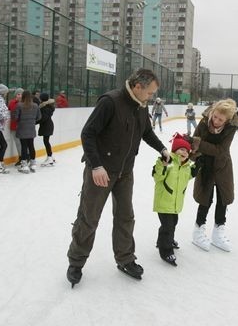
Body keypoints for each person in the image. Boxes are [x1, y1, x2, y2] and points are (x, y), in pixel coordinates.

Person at [66, 69, 170, 287]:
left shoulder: (141, 106)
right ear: (137, 86)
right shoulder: (110, 102)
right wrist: (96, 166)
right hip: (101, 172)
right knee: (89, 217)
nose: (151, 96)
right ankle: (76, 262)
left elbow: (146, 132)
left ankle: (125, 259)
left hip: (125, 172)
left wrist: (162, 149)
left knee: (125, 217)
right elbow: (88, 134)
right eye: (149, 92)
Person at [190, 99, 238, 252]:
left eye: (221, 120)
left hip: (222, 165)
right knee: (205, 199)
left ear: (227, 120)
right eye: (215, 116)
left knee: (223, 198)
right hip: (205, 164)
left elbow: (221, 150)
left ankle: (218, 230)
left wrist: (199, 144)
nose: (216, 121)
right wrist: (194, 150)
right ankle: (198, 230)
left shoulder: (231, 127)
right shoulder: (204, 122)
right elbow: (193, 143)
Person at [152, 133, 200, 266]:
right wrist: (162, 164)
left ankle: (165, 239)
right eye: (181, 149)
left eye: (186, 150)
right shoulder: (168, 162)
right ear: (174, 150)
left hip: (175, 204)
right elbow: (158, 177)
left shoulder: (185, 167)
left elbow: (189, 175)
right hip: (164, 202)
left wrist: (197, 165)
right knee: (167, 226)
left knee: (172, 223)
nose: (184, 152)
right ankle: (166, 250)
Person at [14, 91, 42, 174]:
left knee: (24, 146)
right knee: (31, 145)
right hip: (31, 128)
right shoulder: (35, 105)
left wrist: (20, 120)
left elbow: (15, 117)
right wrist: (32, 121)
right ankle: (33, 163)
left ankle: (24, 164)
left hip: (22, 128)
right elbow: (39, 117)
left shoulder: (19, 105)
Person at [38, 92, 56, 166]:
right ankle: (50, 156)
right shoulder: (48, 106)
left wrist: (35, 121)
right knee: (46, 141)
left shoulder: (44, 108)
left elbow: (43, 118)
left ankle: (49, 157)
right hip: (48, 125)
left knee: (46, 141)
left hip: (46, 126)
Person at [7, 88, 24, 166]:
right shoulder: (11, 103)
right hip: (14, 126)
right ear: (15, 95)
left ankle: (26, 157)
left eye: (21, 94)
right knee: (18, 143)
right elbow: (8, 112)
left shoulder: (25, 103)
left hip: (23, 126)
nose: (20, 96)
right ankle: (21, 157)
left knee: (24, 143)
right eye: (18, 94)